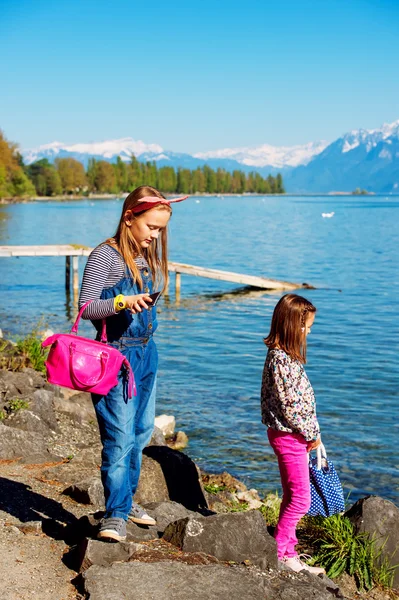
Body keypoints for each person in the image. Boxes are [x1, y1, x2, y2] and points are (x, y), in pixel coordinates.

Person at [79, 185, 188, 542]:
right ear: (129, 218)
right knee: (119, 436)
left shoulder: (143, 257)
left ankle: (125, 501)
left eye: (160, 230)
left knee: (141, 433)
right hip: (115, 356)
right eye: (151, 228)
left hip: (146, 354)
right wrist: (123, 303)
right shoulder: (104, 256)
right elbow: (86, 307)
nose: (155, 236)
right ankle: (114, 514)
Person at [260, 293, 325, 574]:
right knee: (300, 499)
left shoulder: (285, 357)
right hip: (290, 436)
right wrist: (313, 434)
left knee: (292, 494)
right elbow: (291, 406)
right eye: (306, 326)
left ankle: (288, 549)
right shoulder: (281, 360)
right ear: (291, 325)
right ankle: (281, 553)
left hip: (292, 435)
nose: (308, 331)